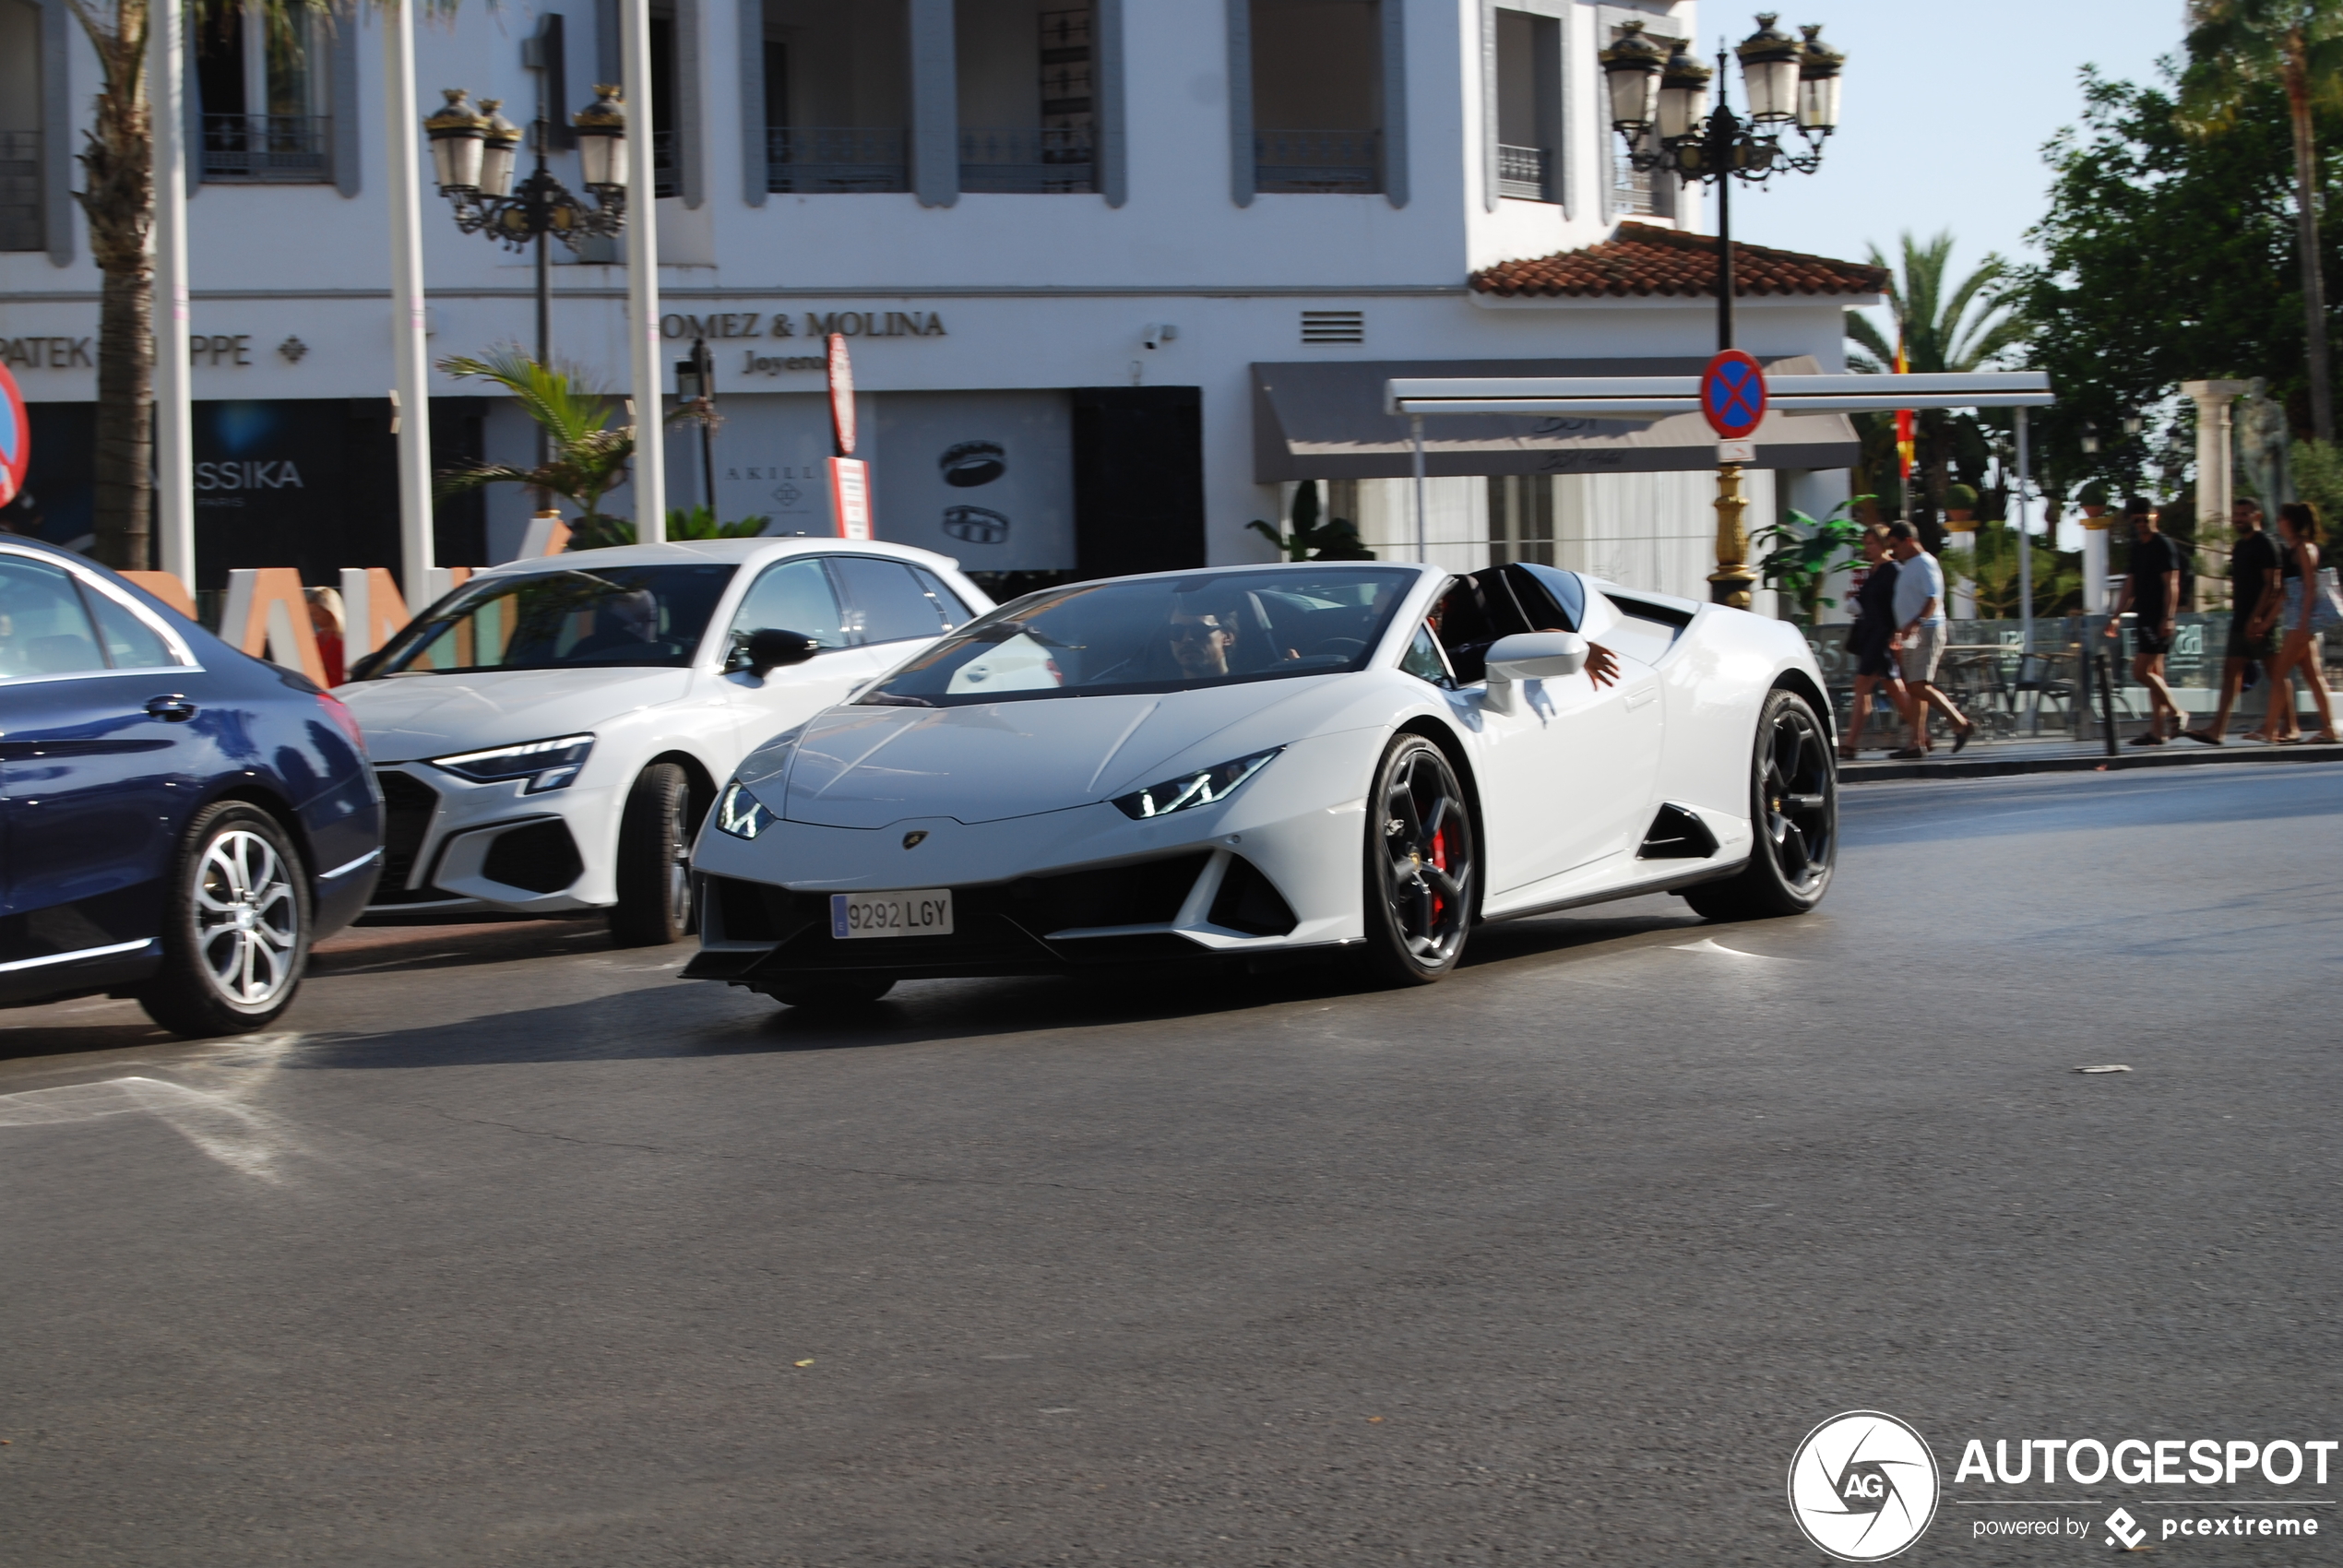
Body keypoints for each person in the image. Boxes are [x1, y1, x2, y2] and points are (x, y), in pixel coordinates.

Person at [2182, 497, 2281, 745]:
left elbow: (2273, 584)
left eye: (2245, 514)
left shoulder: (2266, 544)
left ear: (2257, 516)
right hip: (2239, 620)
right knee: (2230, 673)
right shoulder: (2239, 547)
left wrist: (2259, 618)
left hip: (2258, 622)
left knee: (2276, 674)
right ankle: (2217, 730)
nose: (2239, 518)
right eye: (2236, 514)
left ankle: (2289, 726)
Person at [1884, 522, 1974, 757]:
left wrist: (1916, 623)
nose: (1893, 551)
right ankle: (1916, 743)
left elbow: (1933, 597)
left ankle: (1960, 723)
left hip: (1927, 629)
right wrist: (1901, 630)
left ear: (1908, 540)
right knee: (1915, 687)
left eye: (1895, 545)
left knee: (1918, 685)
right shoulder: (1910, 565)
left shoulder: (1925, 562)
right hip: (1913, 633)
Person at [2103, 497, 2188, 744]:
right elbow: (2130, 584)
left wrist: (2169, 617)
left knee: (2140, 672)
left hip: (2159, 618)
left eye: (2145, 518)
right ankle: (2158, 730)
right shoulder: (2138, 547)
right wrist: (2116, 615)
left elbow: (2172, 583)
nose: (2141, 523)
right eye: (2136, 520)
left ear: (2155, 516)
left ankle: (2177, 712)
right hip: (2144, 616)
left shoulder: (2163, 545)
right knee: (2154, 673)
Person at [2261, 502, 2340, 743]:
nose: (2278, 523)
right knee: (2313, 675)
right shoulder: (2290, 549)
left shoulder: (2305, 549)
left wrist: (2304, 622)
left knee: (2279, 672)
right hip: (2296, 621)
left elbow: (2309, 586)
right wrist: (2266, 622)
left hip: (2302, 621)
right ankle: (2329, 728)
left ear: (2291, 521)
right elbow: (2285, 593)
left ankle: (2269, 730)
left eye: (2281, 518)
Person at [1839, 524, 1913, 758]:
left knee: (1863, 686)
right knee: (1891, 687)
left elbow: (1898, 604)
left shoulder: (1893, 571)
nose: (1867, 548)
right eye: (1866, 544)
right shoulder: (1874, 570)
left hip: (1882, 635)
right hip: (1871, 633)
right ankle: (1922, 735)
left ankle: (1851, 743)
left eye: (1871, 543)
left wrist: (1898, 632)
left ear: (1883, 543)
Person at [303, 585, 347, 685]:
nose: (313, 619)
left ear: (329, 611)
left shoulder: (345, 639)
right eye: (311, 614)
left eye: (316, 613)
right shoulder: (318, 638)